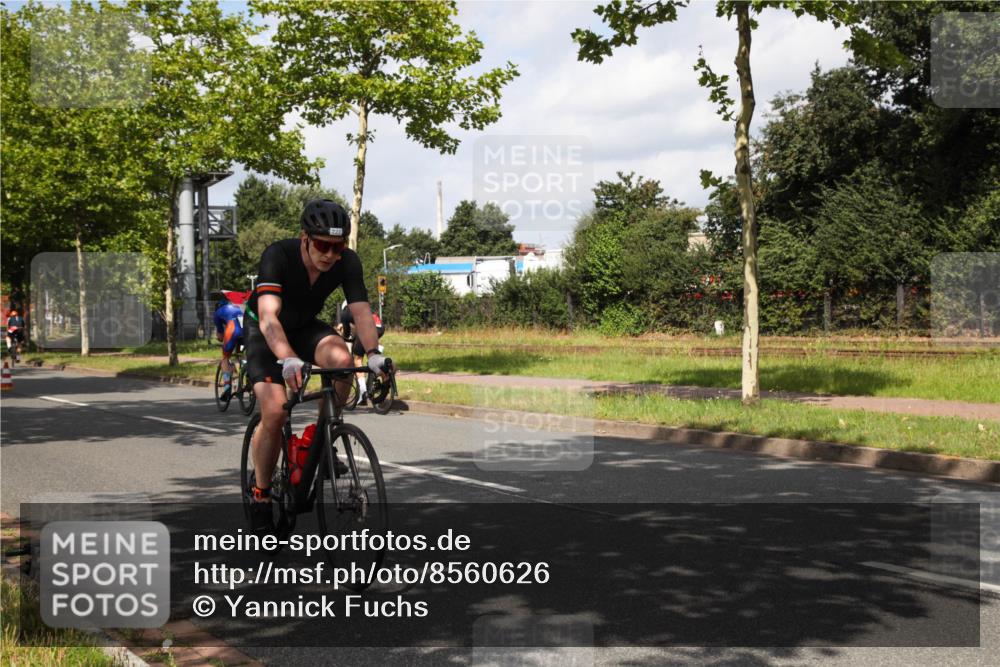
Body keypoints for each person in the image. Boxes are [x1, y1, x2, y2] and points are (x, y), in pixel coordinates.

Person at [243, 199, 390, 534]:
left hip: (305, 326)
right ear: (305, 237)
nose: (330, 255)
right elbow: (268, 317)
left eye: (337, 248)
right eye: (323, 245)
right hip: (265, 332)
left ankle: (319, 441)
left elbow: (362, 311)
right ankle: (262, 494)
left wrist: (372, 353)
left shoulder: (346, 261)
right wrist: (288, 356)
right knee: (276, 410)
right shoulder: (278, 255)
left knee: (341, 361)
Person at [338, 301, 385, 404]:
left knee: (357, 359)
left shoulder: (345, 313)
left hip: (366, 329)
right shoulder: (365, 308)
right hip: (380, 328)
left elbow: (346, 333)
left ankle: (363, 392)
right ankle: (382, 374)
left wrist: (343, 336)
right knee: (371, 352)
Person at [213, 295, 245, 400]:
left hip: (232, 329)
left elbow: (220, 336)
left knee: (225, 358)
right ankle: (247, 376)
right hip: (246, 330)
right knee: (243, 356)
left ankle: (227, 387)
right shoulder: (237, 308)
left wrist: (220, 339)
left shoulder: (217, 313)